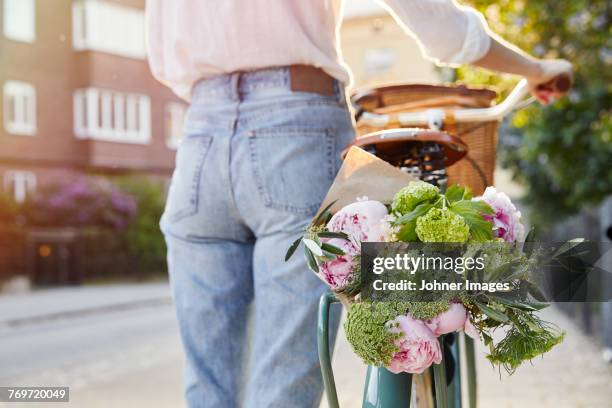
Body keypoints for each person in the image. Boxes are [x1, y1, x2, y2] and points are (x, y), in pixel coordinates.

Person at [145, 1, 572, 407]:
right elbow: (440, 28)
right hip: (295, 125)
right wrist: (534, 69)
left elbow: (161, 47)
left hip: (199, 134)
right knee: (283, 380)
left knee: (207, 383)